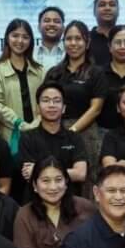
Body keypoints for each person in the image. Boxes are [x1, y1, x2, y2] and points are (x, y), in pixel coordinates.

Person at [44, 21, 107, 177]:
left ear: (87, 43)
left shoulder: (96, 72)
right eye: (69, 39)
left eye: (78, 39)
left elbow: (96, 109)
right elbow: (43, 103)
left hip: (86, 132)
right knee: (54, 174)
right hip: (54, 131)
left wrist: (71, 131)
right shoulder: (54, 72)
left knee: (87, 179)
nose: (73, 43)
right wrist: (58, 132)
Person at [18, 84, 88, 197]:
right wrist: (68, 173)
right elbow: (28, 174)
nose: (51, 105)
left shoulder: (74, 138)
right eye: (46, 100)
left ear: (64, 108)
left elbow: (81, 174)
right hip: (36, 202)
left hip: (69, 202)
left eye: (56, 101)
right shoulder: (27, 138)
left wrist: (38, 171)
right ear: (38, 107)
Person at [0, 19, 45, 147]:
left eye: (25, 37)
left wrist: (37, 122)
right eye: (15, 36)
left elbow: (46, 100)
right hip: (9, 137)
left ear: (31, 41)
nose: (20, 41)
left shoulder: (40, 71)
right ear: (7, 38)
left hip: (38, 134)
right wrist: (20, 124)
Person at [88, 0, 120, 66]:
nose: (107, 8)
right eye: (102, 5)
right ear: (94, 11)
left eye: (112, 5)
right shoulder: (85, 39)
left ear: (118, 11)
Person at [35, 6, 66, 70]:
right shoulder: (30, 54)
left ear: (63, 28)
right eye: (47, 21)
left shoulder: (70, 53)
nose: (52, 24)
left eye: (56, 21)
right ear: (39, 27)